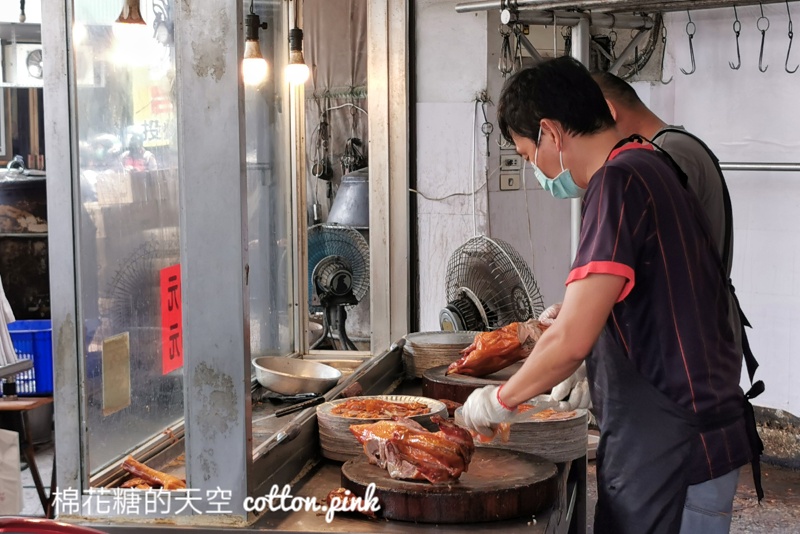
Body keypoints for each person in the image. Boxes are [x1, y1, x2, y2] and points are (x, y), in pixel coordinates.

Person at [460, 57, 761, 534]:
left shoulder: (618, 183)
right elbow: (629, 303)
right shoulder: (651, 163)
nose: (535, 171)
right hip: (684, 440)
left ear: (551, 134)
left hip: (677, 452)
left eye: (525, 154)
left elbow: (571, 341)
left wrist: (498, 400)